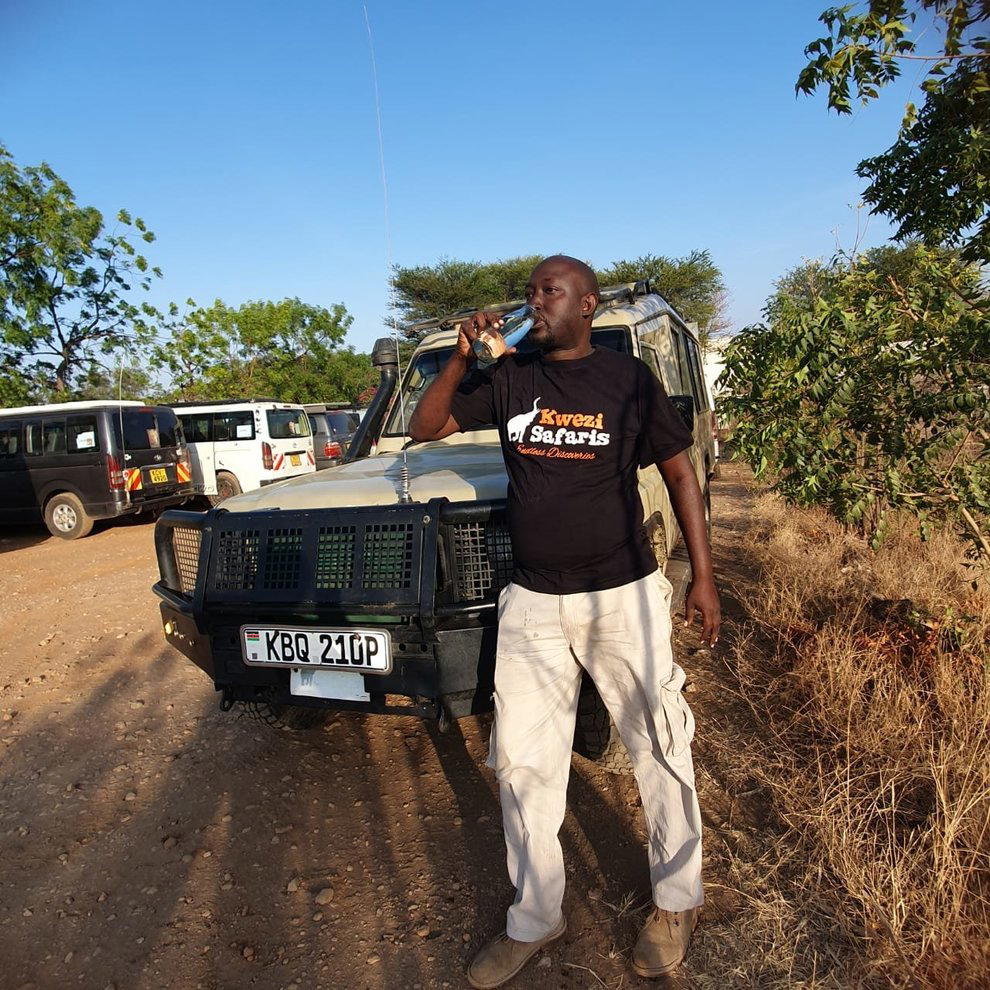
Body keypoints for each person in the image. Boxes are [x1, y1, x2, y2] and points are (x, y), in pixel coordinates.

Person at [408, 255, 721, 988]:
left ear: (587, 305)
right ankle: (536, 914)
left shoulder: (627, 382)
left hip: (623, 595)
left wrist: (703, 577)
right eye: (529, 292)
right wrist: (458, 360)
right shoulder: (509, 377)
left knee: (659, 743)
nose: (534, 302)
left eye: (549, 292)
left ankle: (678, 902)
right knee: (522, 762)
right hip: (533, 601)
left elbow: (679, 473)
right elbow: (426, 426)